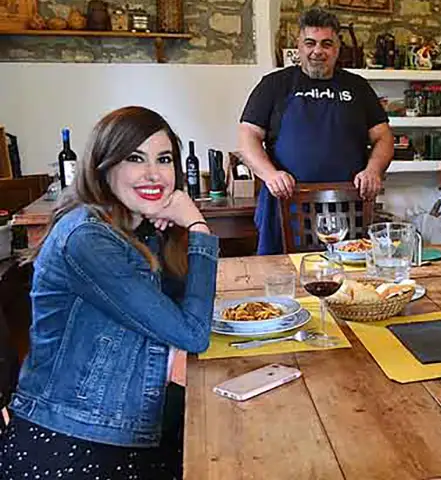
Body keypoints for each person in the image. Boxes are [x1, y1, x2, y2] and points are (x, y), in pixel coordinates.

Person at [0, 106, 218, 479]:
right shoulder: (87, 238)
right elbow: (192, 333)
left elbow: (180, 313)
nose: (153, 173)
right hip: (70, 445)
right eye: (135, 158)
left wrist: (169, 228)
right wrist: (198, 227)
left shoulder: (134, 229)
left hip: (123, 425)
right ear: (103, 166)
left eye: (164, 159)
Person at [238, 6, 394, 255]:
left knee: (347, 272)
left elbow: (383, 137)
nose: (317, 51)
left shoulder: (358, 87)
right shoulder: (274, 85)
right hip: (285, 203)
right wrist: (270, 175)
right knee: (280, 271)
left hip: (347, 205)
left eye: (326, 44)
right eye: (310, 43)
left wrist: (373, 170)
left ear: (337, 48)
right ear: (298, 46)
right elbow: (248, 135)